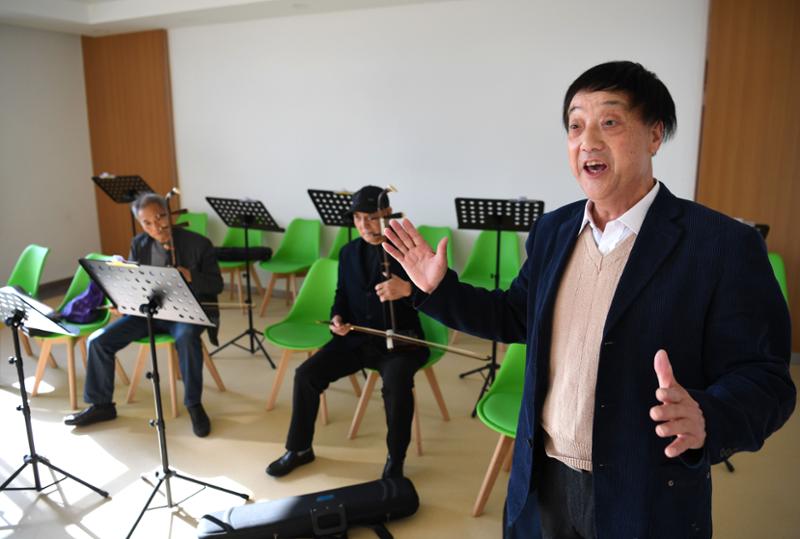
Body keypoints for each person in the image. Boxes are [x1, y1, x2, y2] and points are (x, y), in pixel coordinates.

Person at [383, 61, 796, 538]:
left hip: (646, 494)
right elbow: (517, 316)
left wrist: (709, 415)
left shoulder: (721, 246)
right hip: (543, 481)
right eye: (576, 126)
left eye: (610, 122)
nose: (588, 141)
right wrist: (440, 289)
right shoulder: (553, 230)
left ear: (655, 135)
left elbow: (766, 379)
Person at [266, 185, 428, 479]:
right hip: (356, 339)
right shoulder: (349, 252)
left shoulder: (410, 252)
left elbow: (434, 298)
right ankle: (299, 449)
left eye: (371, 217)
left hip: (401, 343)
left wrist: (407, 290)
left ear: (388, 214)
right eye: (357, 218)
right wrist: (336, 318)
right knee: (306, 375)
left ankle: (396, 459)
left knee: (396, 385)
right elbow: (341, 294)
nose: (364, 225)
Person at [64, 193, 224, 438]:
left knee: (186, 338)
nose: (155, 227)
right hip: (150, 312)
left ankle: (194, 404)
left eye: (159, 218)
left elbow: (217, 285)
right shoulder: (139, 243)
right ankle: (102, 405)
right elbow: (135, 283)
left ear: (169, 214)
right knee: (98, 341)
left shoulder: (198, 243)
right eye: (147, 223)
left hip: (187, 313)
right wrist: (123, 303)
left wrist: (190, 275)